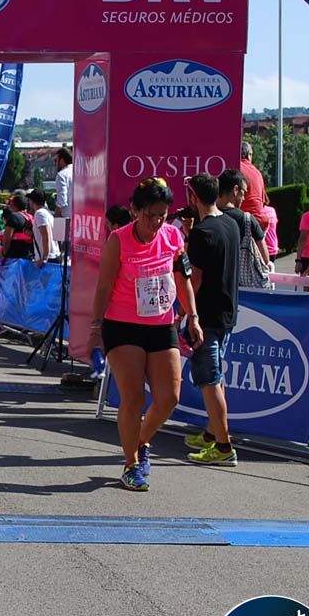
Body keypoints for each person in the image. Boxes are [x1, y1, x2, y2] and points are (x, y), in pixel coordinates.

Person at [89, 178, 202, 491]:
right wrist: (96, 328)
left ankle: (140, 442)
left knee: (169, 398)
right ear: (134, 210)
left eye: (162, 215)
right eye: (150, 215)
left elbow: (183, 280)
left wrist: (192, 316)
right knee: (134, 396)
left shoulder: (173, 236)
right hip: (122, 325)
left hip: (161, 324)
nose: (156, 221)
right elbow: (103, 286)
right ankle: (130, 464)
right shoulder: (119, 240)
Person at [183, 172, 241, 467]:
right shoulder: (231, 224)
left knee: (209, 380)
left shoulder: (202, 234)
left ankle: (222, 445)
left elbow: (194, 280)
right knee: (216, 378)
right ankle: (211, 434)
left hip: (206, 316)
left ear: (193, 197)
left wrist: (183, 313)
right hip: (227, 312)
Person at [218, 168, 270, 286]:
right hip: (243, 289)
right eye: (243, 193)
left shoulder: (205, 218)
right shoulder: (247, 220)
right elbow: (265, 258)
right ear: (236, 190)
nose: (244, 198)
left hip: (213, 288)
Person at [238, 141, 270, 231]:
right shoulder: (258, 173)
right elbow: (263, 202)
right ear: (248, 155)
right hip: (259, 224)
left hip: (243, 222)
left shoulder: (236, 167)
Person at [27, 189, 58, 265]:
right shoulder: (47, 212)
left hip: (48, 258)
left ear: (32, 201)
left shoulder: (39, 213)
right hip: (52, 255)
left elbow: (45, 235)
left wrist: (44, 258)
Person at [2, 192, 34, 260]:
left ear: (14, 205)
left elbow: (7, 238)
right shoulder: (29, 216)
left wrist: (4, 252)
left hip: (15, 257)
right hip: (28, 255)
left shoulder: (14, 216)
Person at [54, 147, 73, 218]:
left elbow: (62, 200)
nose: (55, 164)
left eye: (56, 160)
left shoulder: (61, 175)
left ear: (61, 160)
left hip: (67, 217)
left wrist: (56, 217)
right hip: (81, 217)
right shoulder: (79, 172)